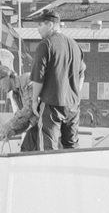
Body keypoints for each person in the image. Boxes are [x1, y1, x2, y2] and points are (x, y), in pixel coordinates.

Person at [24, 8, 85, 150]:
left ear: (50, 25)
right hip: (73, 106)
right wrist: (75, 95)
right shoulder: (75, 46)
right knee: (72, 146)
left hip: (52, 105)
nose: (38, 29)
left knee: (48, 147)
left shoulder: (45, 45)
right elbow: (82, 74)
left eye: (40, 25)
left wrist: (34, 101)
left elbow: (38, 78)